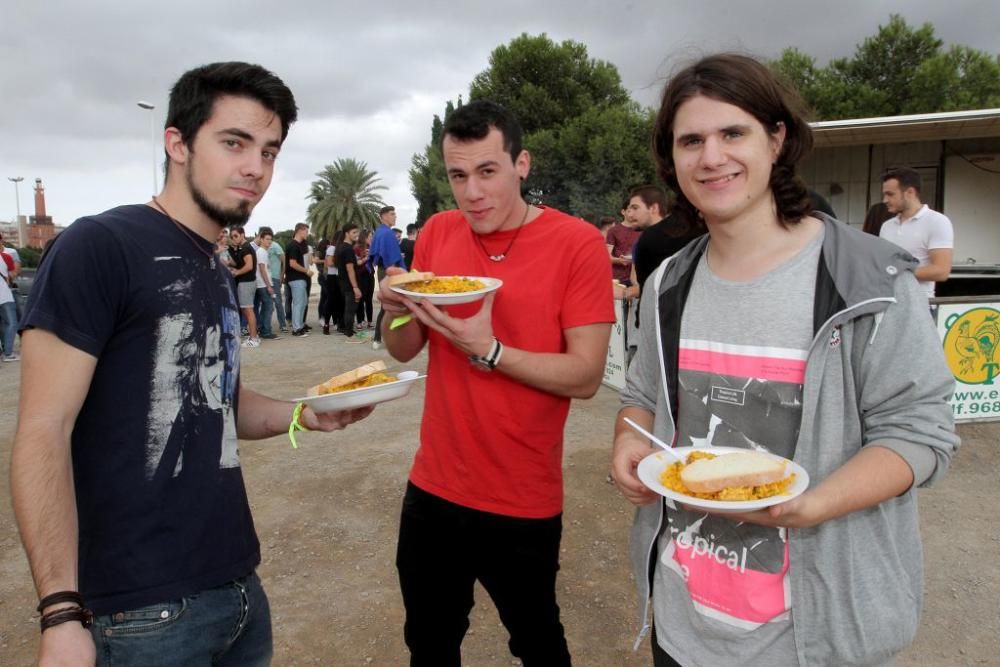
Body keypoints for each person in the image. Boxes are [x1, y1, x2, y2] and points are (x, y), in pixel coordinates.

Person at [9, 61, 373, 666]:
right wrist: (61, 611)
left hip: (237, 589)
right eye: (234, 143)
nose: (255, 168)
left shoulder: (211, 261)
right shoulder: (101, 246)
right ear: (176, 142)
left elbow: (215, 402)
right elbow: (44, 430)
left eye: (269, 151)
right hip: (139, 612)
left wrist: (306, 414)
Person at [610, 53, 958, 667]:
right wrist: (628, 440)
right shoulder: (668, 282)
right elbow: (642, 395)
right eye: (691, 140)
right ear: (672, 159)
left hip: (815, 639)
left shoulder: (867, 279)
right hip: (683, 623)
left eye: (733, 133)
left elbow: (920, 432)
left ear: (776, 139)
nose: (711, 156)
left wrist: (812, 504)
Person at [377, 100, 615, 666]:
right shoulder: (437, 231)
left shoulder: (576, 243)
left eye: (488, 171)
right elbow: (402, 346)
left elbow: (584, 376)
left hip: (521, 497)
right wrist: (396, 305)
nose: (472, 192)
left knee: (536, 641)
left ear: (521, 164)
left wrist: (489, 351)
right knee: (429, 643)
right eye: (458, 176)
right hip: (433, 487)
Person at [879, 166, 954, 299]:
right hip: (888, 302)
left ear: (910, 192)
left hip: (920, 305)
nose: (885, 200)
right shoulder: (887, 226)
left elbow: (941, 271)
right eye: (884, 194)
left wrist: (895, 272)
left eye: (890, 194)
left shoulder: (937, 221)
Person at [368, 205, 407, 350]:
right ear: (383, 216)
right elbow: (388, 255)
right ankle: (379, 337)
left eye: (395, 214)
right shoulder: (386, 233)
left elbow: (377, 252)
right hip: (389, 270)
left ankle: (381, 337)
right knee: (391, 303)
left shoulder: (380, 232)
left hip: (386, 270)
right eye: (392, 214)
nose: (395, 216)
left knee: (391, 304)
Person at [229, 225, 259, 347]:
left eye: (236, 236)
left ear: (242, 234)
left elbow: (249, 266)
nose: (234, 238)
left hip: (246, 282)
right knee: (247, 310)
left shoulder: (246, 248)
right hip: (247, 282)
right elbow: (241, 264)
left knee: (248, 310)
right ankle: (253, 337)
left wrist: (237, 272)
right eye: (232, 237)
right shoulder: (243, 248)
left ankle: (253, 338)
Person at [335, 224, 364, 341]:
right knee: (350, 308)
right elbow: (350, 269)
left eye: (357, 232)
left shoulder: (341, 247)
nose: (356, 235)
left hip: (343, 282)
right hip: (349, 283)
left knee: (348, 307)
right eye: (354, 233)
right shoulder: (347, 249)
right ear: (346, 233)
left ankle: (347, 329)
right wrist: (355, 287)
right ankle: (349, 331)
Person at [285, 222, 312, 337]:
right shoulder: (293, 245)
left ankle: (300, 326)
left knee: (303, 302)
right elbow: (292, 263)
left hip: (300, 279)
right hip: (296, 279)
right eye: (306, 231)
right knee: (298, 303)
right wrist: (306, 271)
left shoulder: (299, 245)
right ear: (299, 231)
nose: (307, 234)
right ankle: (296, 329)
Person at [255, 227, 278, 340]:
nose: (269, 241)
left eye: (270, 239)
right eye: (267, 239)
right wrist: (269, 286)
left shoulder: (263, 252)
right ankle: (266, 331)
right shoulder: (261, 252)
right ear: (261, 239)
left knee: (266, 308)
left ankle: (263, 329)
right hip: (263, 284)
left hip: (263, 284)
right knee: (269, 307)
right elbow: (262, 269)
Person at [0, 248, 17, 361]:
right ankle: (8, 353)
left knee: (3, 323)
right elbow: (12, 275)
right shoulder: (6, 257)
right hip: (4, 295)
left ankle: (3, 350)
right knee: (11, 323)